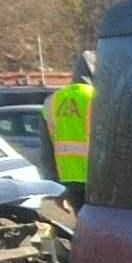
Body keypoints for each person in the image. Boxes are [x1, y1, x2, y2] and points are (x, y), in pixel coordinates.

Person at [40, 50, 96, 199]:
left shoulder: (52, 100)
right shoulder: (99, 97)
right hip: (98, 178)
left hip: (68, 180)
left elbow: (46, 149)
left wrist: (53, 184)